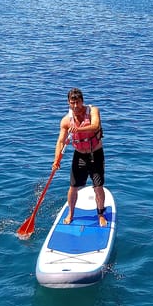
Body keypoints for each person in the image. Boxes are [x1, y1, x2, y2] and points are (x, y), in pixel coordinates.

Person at [53, 87, 107, 226]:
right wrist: (56, 160)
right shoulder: (66, 121)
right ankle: (71, 213)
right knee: (73, 187)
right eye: (72, 103)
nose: (76, 106)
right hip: (79, 156)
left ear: (82, 101)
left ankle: (100, 214)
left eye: (78, 102)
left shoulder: (93, 111)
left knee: (98, 186)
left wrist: (79, 129)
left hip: (95, 154)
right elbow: (60, 142)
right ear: (69, 103)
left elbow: (95, 126)